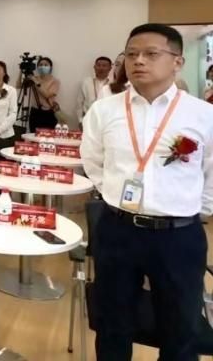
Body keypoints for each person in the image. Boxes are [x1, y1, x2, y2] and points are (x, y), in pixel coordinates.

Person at [82, 23, 213, 360]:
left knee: (180, 327)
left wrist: (194, 207)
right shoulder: (104, 110)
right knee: (112, 323)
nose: (138, 61)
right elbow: (93, 161)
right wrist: (115, 195)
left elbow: (211, 171)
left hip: (178, 234)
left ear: (177, 62)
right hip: (117, 229)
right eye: (131, 54)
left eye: (151, 53)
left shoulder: (202, 114)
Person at [19, 57, 61, 131]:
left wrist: (36, 82)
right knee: (33, 135)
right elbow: (19, 86)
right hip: (35, 112)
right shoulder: (34, 78)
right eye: (40, 65)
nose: (43, 67)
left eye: (46, 65)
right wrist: (21, 72)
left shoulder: (55, 81)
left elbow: (47, 95)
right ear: (37, 67)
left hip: (48, 112)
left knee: (48, 136)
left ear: (50, 67)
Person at [76, 56, 112, 124]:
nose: (101, 68)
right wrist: (80, 120)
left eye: (104, 66)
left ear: (110, 68)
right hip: (88, 118)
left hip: (108, 120)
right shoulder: (86, 82)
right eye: (98, 65)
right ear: (94, 67)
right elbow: (79, 103)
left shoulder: (114, 84)